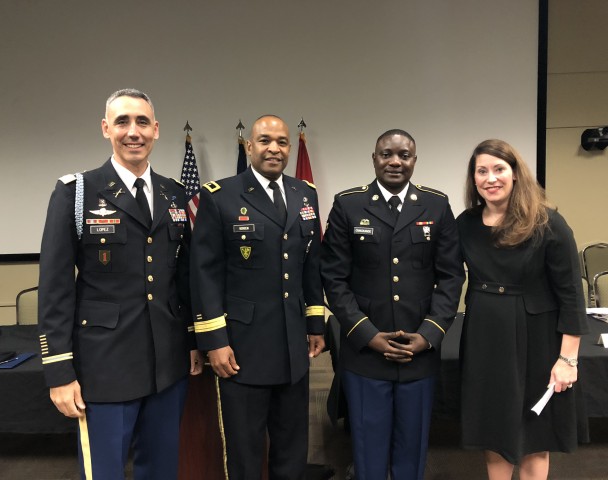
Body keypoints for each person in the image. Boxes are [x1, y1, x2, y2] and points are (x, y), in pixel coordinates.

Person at [38, 88, 202, 479]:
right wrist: (59, 371)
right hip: (104, 367)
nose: (134, 132)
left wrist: (193, 340)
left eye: (142, 122)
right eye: (123, 121)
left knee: (162, 469)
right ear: (105, 128)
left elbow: (183, 278)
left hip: (167, 363)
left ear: (156, 130)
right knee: (104, 471)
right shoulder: (77, 193)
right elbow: (55, 287)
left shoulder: (174, 194)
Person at [321, 129, 465, 480]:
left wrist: (429, 334)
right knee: (368, 450)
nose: (395, 161)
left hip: (419, 351)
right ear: (374, 159)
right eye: (386, 154)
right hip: (366, 352)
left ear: (414, 160)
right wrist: (367, 334)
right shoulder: (349, 204)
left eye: (404, 155)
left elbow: (450, 277)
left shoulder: (436, 204)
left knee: (412, 449)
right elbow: (334, 278)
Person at [190, 115, 326, 480]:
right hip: (242, 347)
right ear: (249, 147)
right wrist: (215, 341)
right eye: (265, 141)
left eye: (282, 142)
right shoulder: (220, 196)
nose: (274, 149)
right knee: (246, 451)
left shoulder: (304, 193)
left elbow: (310, 264)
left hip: (292, 344)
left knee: (292, 445)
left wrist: (315, 322)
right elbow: (204, 273)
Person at [457, 139, 588, 480]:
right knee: (493, 430)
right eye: (481, 171)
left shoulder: (548, 223)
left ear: (515, 174)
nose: (491, 178)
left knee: (534, 435)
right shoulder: (466, 223)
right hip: (484, 335)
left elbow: (572, 295)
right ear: (474, 179)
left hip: (537, 338)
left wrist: (568, 360)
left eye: (499, 169)